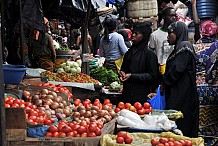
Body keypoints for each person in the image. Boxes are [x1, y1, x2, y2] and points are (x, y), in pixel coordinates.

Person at [161, 21, 199, 137]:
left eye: (170, 33)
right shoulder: (178, 48)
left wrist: (164, 83)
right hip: (178, 92)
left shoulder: (184, 46)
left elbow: (177, 69)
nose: (168, 36)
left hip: (183, 95)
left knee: (182, 124)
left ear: (178, 33)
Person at [119, 22, 159, 105]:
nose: (133, 35)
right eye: (133, 33)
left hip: (142, 95)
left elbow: (152, 76)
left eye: (136, 33)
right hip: (127, 93)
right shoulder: (129, 53)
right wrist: (122, 73)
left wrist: (132, 76)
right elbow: (124, 68)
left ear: (144, 36)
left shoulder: (149, 54)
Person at [149, 7, 176, 75]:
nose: (173, 18)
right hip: (159, 70)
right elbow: (151, 53)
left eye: (174, 15)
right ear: (164, 16)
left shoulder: (177, 33)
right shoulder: (154, 35)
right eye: (171, 15)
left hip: (174, 69)